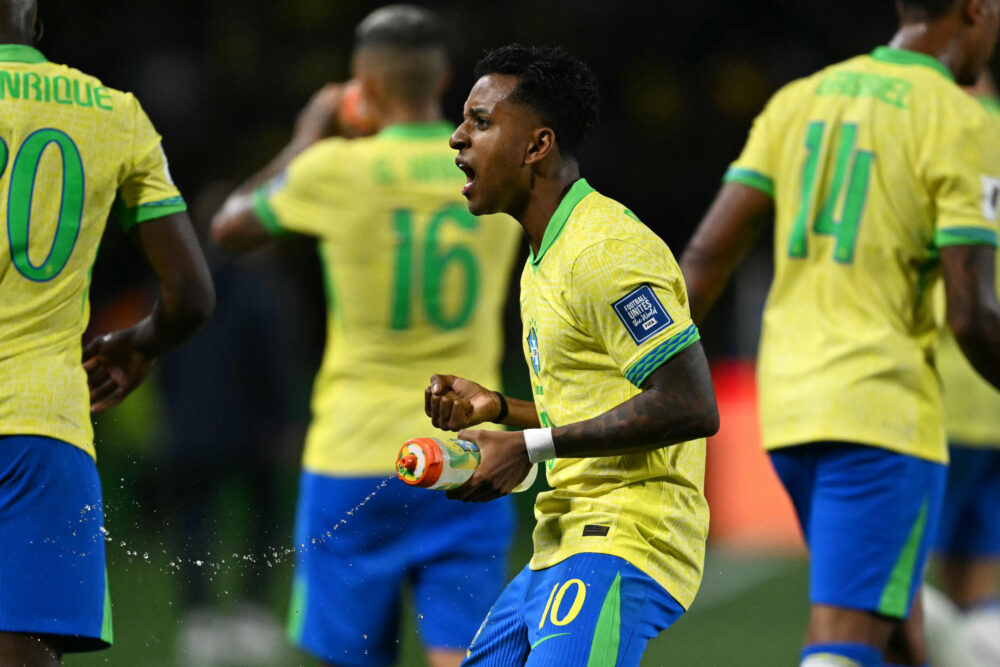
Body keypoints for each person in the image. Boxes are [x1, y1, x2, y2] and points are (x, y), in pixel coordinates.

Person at [679, 0, 1000, 665]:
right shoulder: (963, 121)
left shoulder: (802, 99)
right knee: (845, 637)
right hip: (882, 410)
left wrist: (640, 375)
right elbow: (970, 312)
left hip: (790, 408)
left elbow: (705, 258)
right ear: (978, 10)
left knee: (899, 622)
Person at [210, 6, 522, 667]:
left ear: (363, 85)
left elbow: (229, 228)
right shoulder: (497, 169)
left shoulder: (333, 171)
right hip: (468, 450)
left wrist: (305, 137)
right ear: (442, 80)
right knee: (465, 655)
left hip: (353, 454)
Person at [425, 44, 719, 666]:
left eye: (480, 122)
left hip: (625, 539)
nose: (457, 138)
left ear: (537, 146)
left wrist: (528, 449)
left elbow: (691, 405)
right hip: (560, 542)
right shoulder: (545, 255)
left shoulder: (606, 251)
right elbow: (602, 405)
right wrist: (500, 409)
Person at [0, 1, 215, 664]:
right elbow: (191, 295)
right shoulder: (112, 112)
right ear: (32, 17)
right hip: (43, 427)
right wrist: (143, 340)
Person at [922, 71, 1000, 667]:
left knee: (888, 592)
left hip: (939, 395)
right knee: (981, 588)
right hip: (992, 404)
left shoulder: (938, 136)